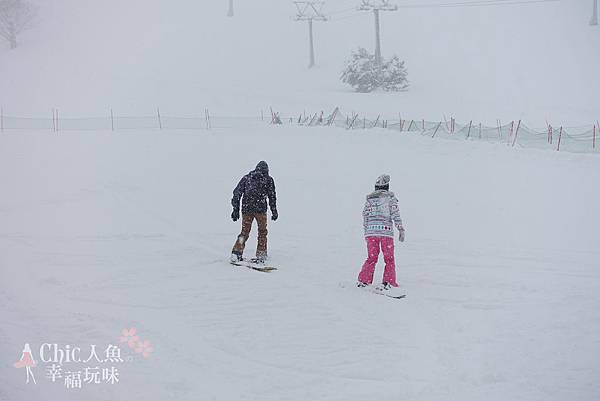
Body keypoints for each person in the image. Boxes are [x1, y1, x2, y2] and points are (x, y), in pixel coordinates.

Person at [357, 174, 405, 289]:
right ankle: (388, 282)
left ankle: (364, 281)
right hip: (385, 233)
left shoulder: (370, 200)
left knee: (371, 257)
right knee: (389, 258)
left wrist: (366, 231)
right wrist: (400, 228)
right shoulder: (390, 199)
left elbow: (365, 215)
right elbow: (395, 214)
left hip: (371, 233)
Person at [230, 161, 278, 263]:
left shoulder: (247, 178)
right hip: (261, 211)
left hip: (247, 210)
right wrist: (274, 211)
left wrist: (235, 209)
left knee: (244, 233)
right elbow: (272, 197)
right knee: (262, 233)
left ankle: (236, 253)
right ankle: (261, 255)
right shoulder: (268, 180)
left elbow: (237, 193)